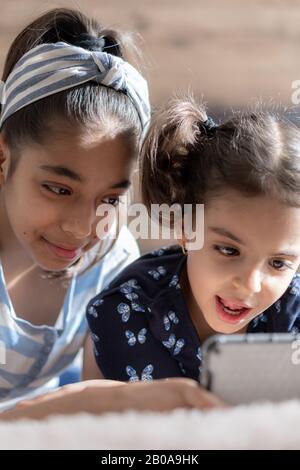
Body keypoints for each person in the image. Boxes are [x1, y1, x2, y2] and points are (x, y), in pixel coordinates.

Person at [0, 8, 222, 419]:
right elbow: (92, 401)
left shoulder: (112, 261)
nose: (83, 227)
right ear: (3, 157)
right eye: (59, 188)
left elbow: (98, 427)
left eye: (110, 199)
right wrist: (85, 400)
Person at [87, 97, 300, 384]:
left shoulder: (293, 311)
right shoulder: (128, 311)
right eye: (228, 250)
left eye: (278, 263)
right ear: (187, 229)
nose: (250, 284)